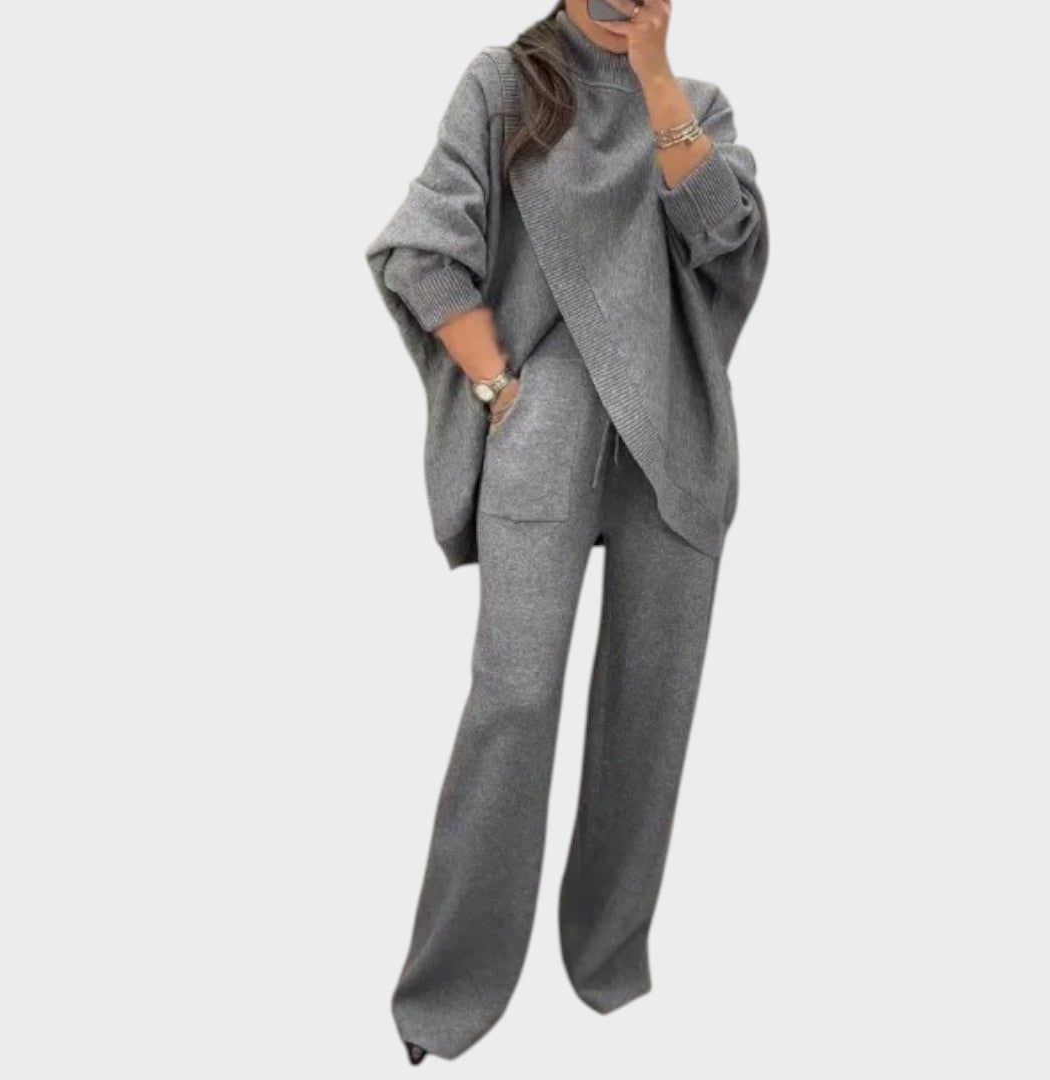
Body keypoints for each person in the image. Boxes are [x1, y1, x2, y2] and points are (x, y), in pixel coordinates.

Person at [364, 0, 768, 1063]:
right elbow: (424, 250)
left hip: (672, 435)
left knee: (650, 710)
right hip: (543, 428)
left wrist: (658, 78)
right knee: (515, 699)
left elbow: (725, 240)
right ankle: (446, 999)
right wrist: (498, 383)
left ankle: (608, 966)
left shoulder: (699, 104)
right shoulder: (505, 85)